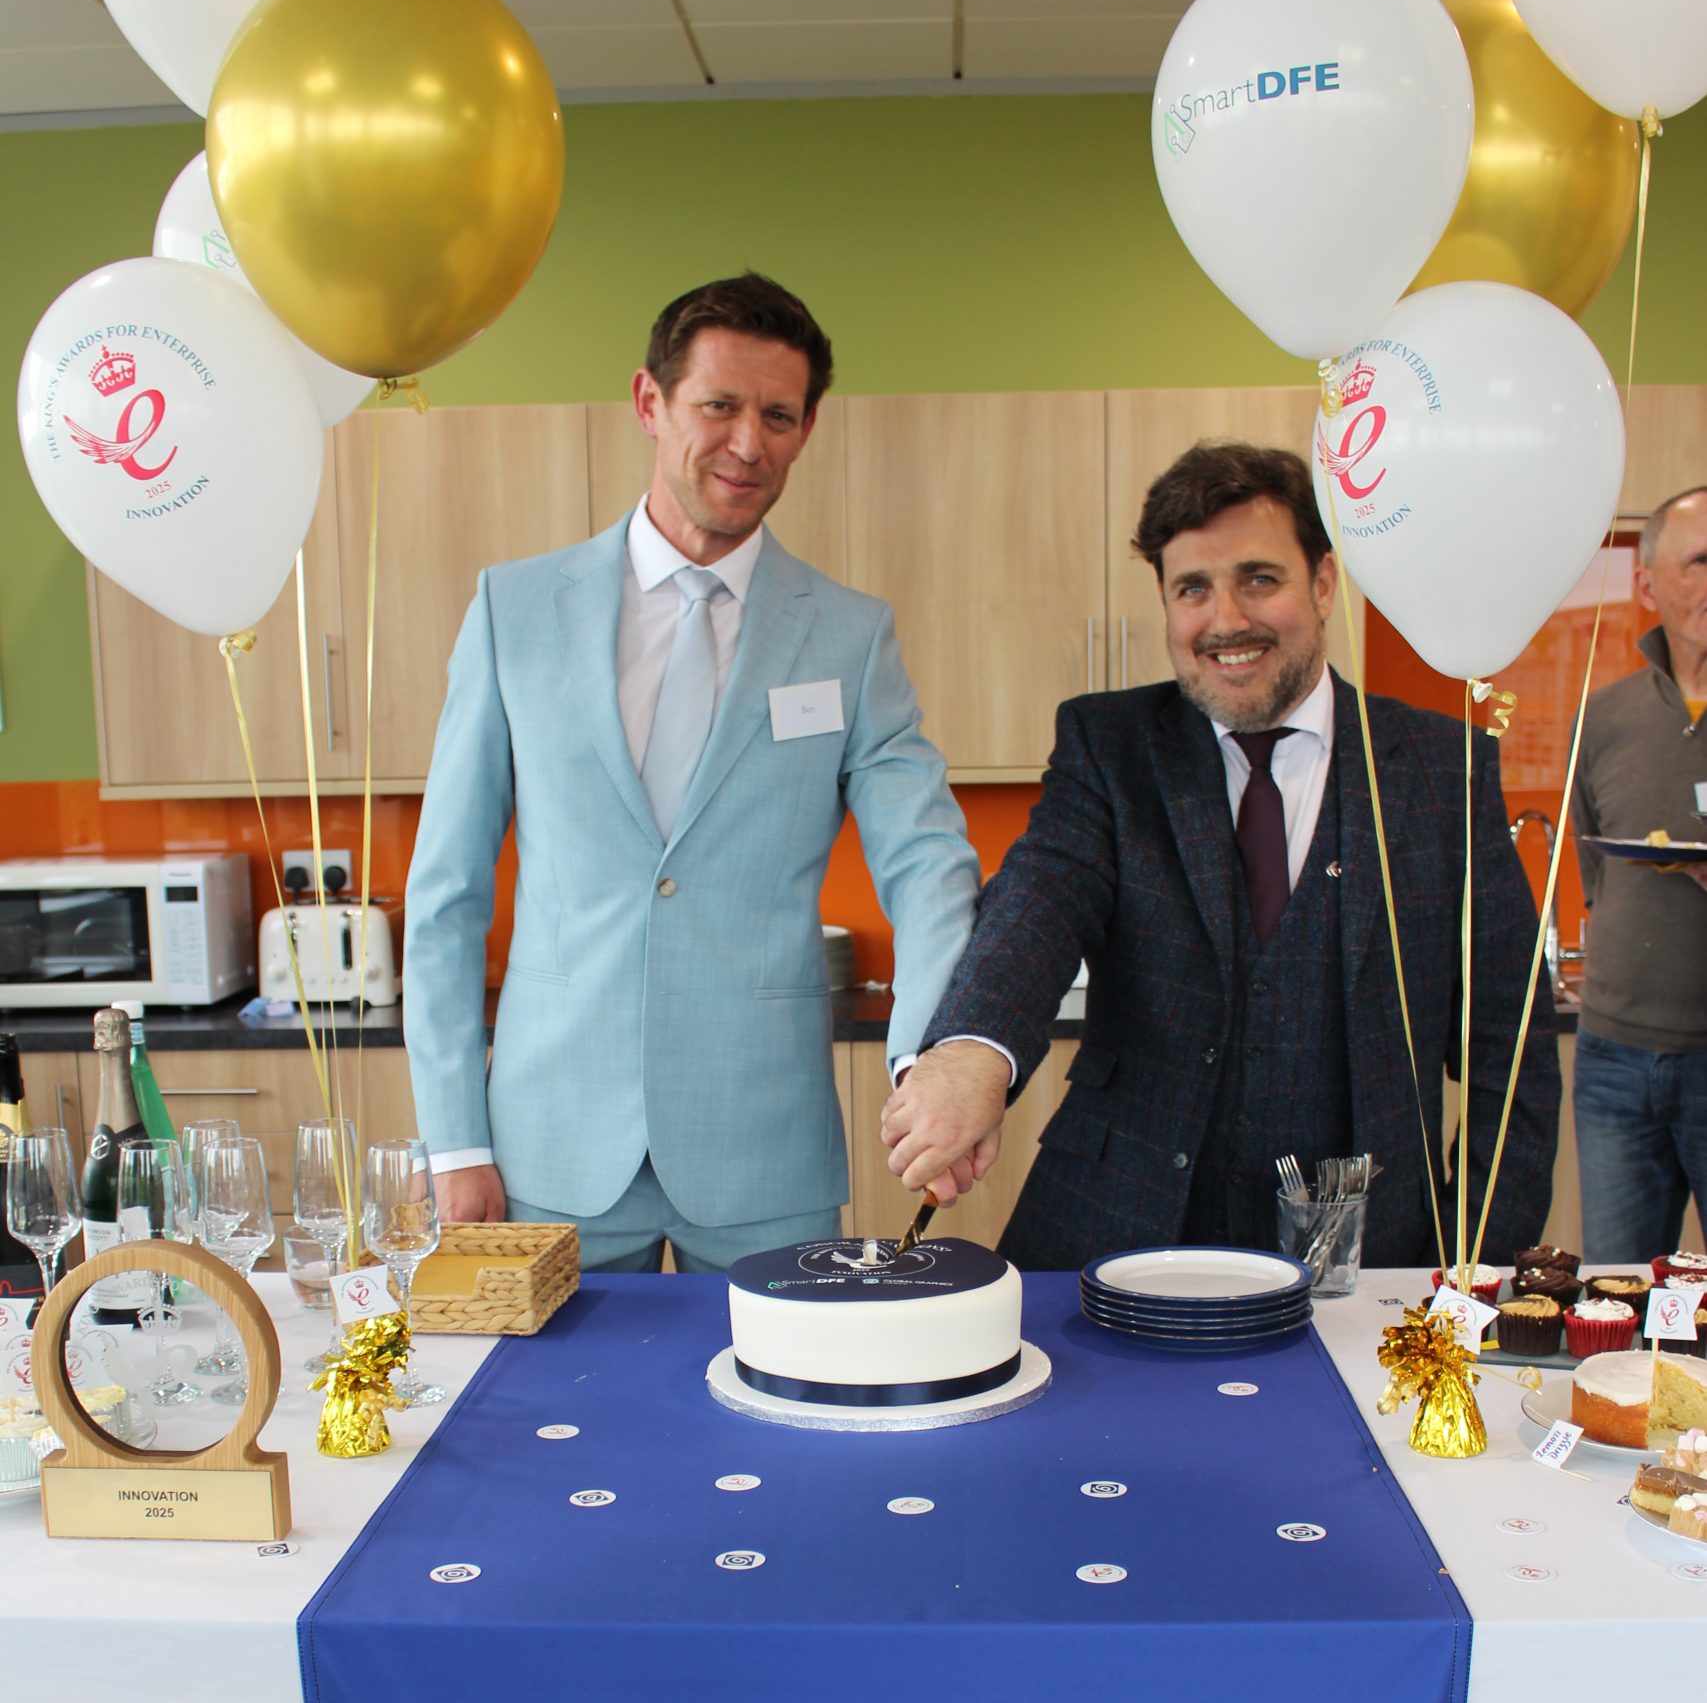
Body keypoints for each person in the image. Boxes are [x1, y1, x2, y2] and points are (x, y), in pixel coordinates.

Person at [404, 272, 980, 1271]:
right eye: (719, 405)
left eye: (778, 416)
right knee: (548, 1382)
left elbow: (928, 864)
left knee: (787, 1377)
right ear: (650, 401)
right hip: (548, 1145)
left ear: (806, 429)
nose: (748, 443)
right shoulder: (514, 612)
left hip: (765, 1153)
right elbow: (446, 893)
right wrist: (454, 1141)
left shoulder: (850, 639)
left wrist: (929, 1060)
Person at [881, 439, 1559, 1269]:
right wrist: (970, 1052)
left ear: (1322, 583)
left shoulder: (1441, 770)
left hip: (1366, 1258)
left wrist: (1476, 1264)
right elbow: (1039, 900)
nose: (1225, 620)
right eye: (1192, 588)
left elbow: (1509, 1054)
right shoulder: (1110, 745)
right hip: (1113, 1231)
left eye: (1258, 579)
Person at [1569, 486, 1707, 1258]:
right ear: (1648, 585)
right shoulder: (1604, 716)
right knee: (1612, 1297)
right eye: (1701, 561)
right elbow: (1595, 870)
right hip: (1613, 1057)